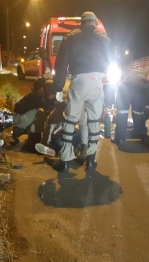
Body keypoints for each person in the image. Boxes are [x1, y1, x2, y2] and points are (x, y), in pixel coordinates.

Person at [52, 11, 113, 172]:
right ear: (94, 23)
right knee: (93, 121)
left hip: (79, 81)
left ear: (81, 22)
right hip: (97, 82)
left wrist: (58, 87)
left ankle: (65, 161)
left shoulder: (70, 37)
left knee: (71, 120)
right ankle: (91, 160)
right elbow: (112, 60)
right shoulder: (103, 38)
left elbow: (60, 64)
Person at [35, 81, 88, 165]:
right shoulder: (82, 109)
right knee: (77, 135)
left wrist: (45, 143)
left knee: (59, 140)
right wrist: (84, 144)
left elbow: (48, 125)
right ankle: (78, 149)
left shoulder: (59, 108)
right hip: (73, 137)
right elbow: (84, 128)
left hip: (60, 138)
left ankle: (54, 149)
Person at [10, 78, 56, 151]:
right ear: (48, 91)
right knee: (41, 113)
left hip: (20, 117)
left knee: (42, 114)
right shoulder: (39, 97)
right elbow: (48, 112)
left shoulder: (42, 95)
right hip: (20, 119)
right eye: (53, 93)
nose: (54, 95)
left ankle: (28, 133)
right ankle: (32, 140)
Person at [112, 68, 149, 148]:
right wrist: (145, 115)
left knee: (122, 113)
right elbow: (148, 104)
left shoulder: (128, 78)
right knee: (138, 113)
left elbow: (118, 92)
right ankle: (138, 134)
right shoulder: (146, 83)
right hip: (140, 90)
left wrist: (117, 107)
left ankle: (119, 138)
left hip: (123, 89)